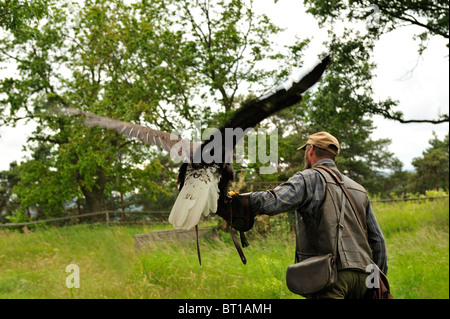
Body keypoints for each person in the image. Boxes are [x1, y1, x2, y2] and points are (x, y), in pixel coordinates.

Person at [220, 131, 388, 299]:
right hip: (365, 278)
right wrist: (374, 282)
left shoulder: (309, 178)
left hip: (331, 277)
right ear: (333, 156)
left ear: (311, 150)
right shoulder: (358, 189)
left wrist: (235, 200)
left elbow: (273, 202)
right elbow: (378, 241)